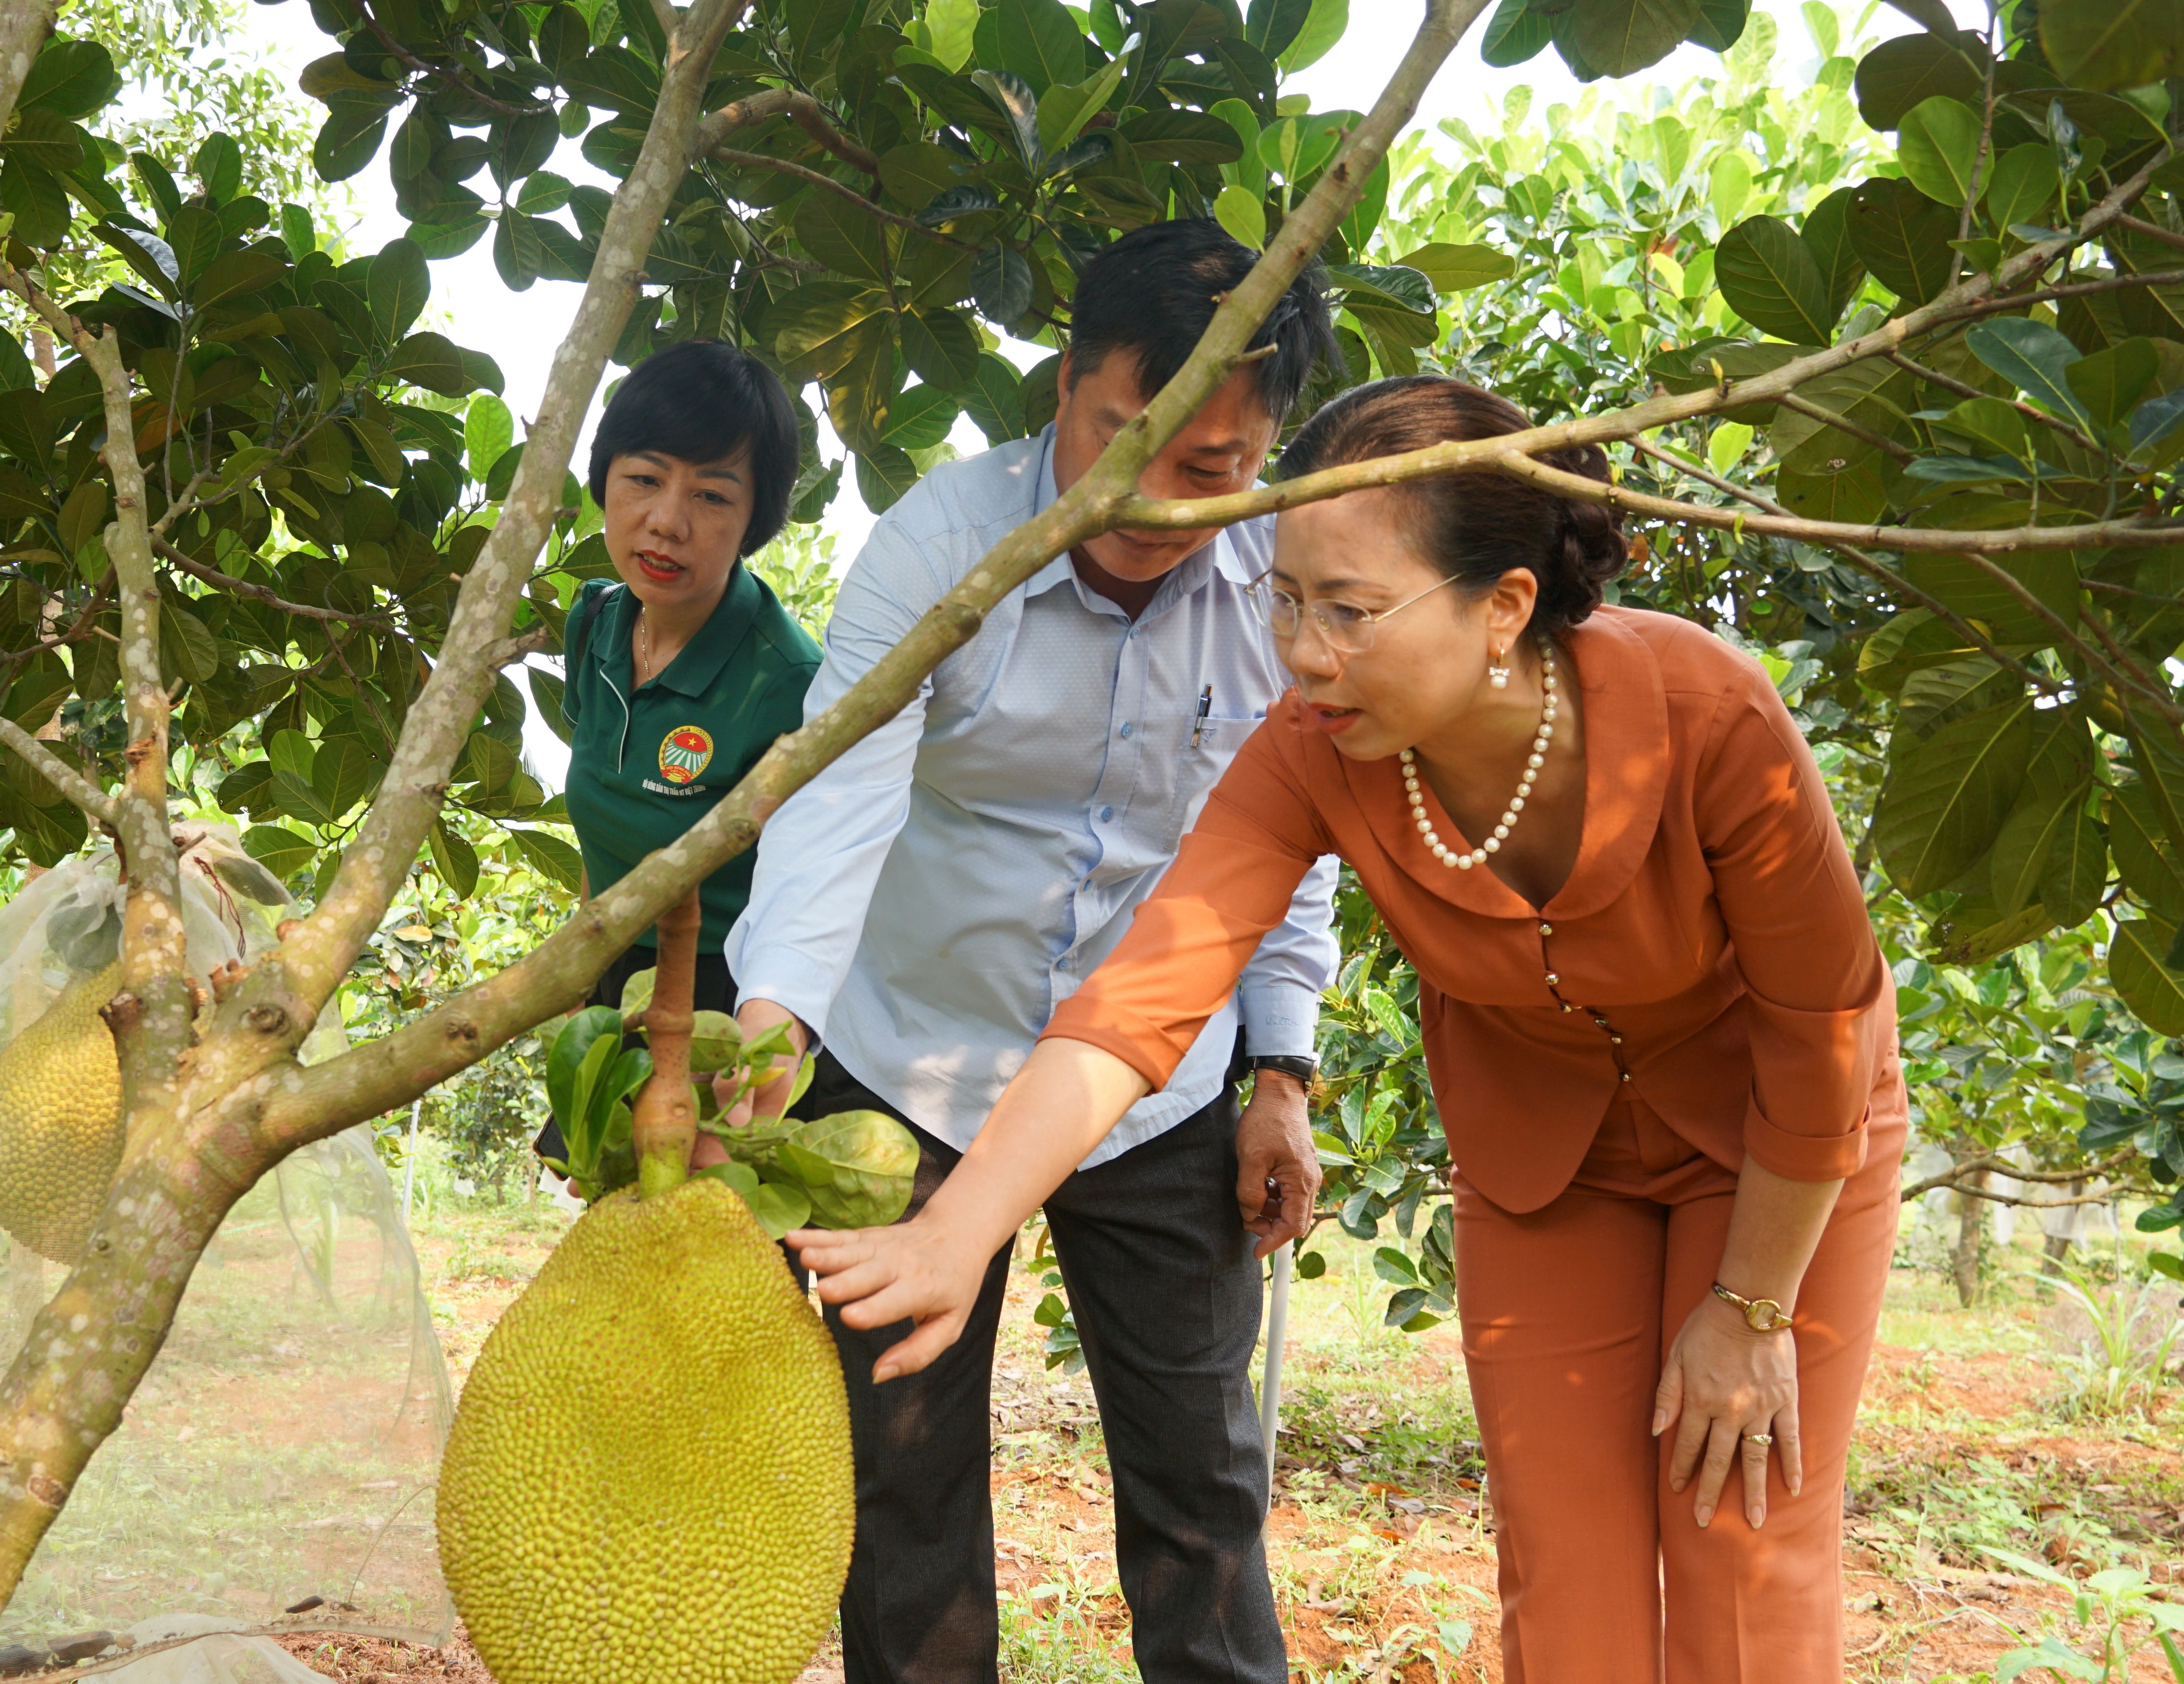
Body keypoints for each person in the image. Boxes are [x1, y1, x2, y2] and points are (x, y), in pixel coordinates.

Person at [794, 374, 1907, 1684]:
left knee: (1737, 1549)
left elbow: (1823, 1021)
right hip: (1551, 1169)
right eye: (1284, 600)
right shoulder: (1314, 750)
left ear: (1503, 608)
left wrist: (1751, 1307)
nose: (1304, 653)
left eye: (1351, 612)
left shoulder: (1711, 717)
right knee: (1568, 1576)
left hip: (1784, 1160)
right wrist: (959, 1228)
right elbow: (1144, 999)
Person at [721, 220, 1343, 1684]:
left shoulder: (1281, 578)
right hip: (909, 1063)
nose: (1147, 491)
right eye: (1123, 434)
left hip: (1159, 1084)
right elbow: (838, 797)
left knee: (1202, 1478)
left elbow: (1287, 834)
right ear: (1065, 384)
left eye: (1209, 464)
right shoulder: (946, 544)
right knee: (904, 1484)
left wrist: (1283, 1070)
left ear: (1267, 448)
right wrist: (773, 1022)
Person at [555, 337, 822, 1022]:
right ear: (605, 479)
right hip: (602, 960)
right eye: (644, 479)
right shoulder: (595, 625)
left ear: (753, 520)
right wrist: (576, 966)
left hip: (723, 1001)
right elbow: (604, 823)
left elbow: (816, 897)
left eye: (709, 495)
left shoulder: (790, 683)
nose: (667, 521)